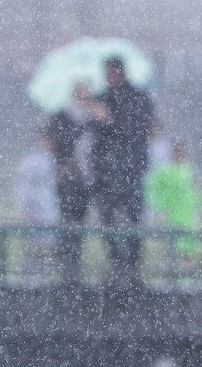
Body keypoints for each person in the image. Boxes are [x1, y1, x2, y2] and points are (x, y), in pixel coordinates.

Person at [91, 56, 155, 289]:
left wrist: (109, 120)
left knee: (133, 218)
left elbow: (135, 130)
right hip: (106, 172)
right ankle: (117, 264)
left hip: (129, 170)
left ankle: (133, 268)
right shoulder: (101, 98)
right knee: (107, 220)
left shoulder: (137, 98)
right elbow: (95, 136)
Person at [46, 81, 98, 283]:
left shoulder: (92, 119)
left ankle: (74, 265)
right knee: (67, 220)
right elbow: (58, 142)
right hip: (68, 180)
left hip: (85, 180)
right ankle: (66, 267)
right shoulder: (63, 116)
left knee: (80, 222)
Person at [143, 139, 202, 279]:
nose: (179, 155)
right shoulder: (163, 171)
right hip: (169, 214)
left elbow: (195, 190)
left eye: (181, 152)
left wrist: (197, 208)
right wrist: (157, 207)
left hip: (187, 214)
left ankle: (186, 278)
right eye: (177, 151)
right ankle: (170, 276)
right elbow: (150, 187)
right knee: (171, 245)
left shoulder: (188, 169)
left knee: (187, 247)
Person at [13, 129, 59, 283]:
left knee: (46, 251)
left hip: (49, 214)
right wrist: (26, 211)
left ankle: (40, 281)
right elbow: (24, 189)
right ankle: (31, 283)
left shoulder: (52, 160)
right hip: (38, 213)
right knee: (35, 249)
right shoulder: (32, 162)